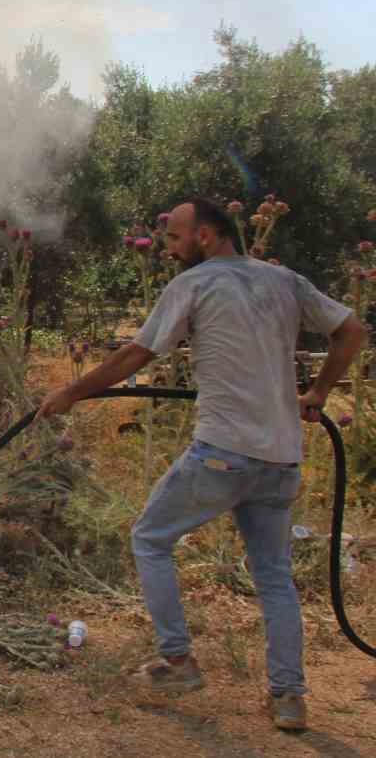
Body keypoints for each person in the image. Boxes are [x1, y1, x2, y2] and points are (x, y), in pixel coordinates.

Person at [40, 197, 366, 732]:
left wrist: (72, 392)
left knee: (149, 536)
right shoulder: (285, 282)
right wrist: (320, 391)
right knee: (275, 578)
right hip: (282, 457)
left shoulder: (193, 285)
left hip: (223, 453)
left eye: (174, 238)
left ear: (207, 237)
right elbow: (352, 330)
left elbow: (136, 356)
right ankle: (289, 698)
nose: (168, 248)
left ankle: (179, 661)